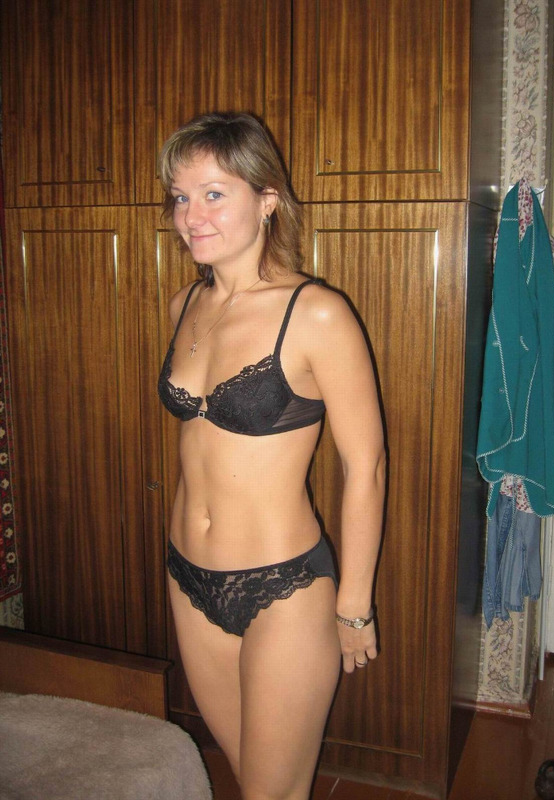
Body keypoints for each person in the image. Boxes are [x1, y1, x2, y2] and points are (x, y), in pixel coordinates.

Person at [157, 111, 386, 800]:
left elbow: (366, 468)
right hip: (187, 577)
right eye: (180, 197)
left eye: (214, 193)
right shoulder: (183, 305)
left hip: (283, 587)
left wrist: (354, 606)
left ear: (267, 198)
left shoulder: (317, 313)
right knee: (250, 778)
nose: (192, 216)